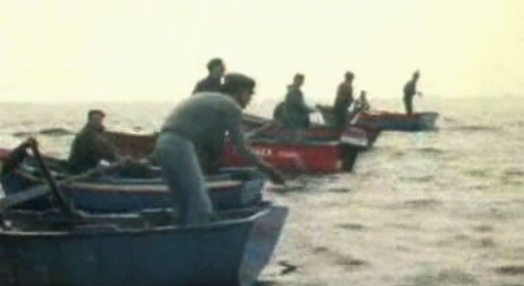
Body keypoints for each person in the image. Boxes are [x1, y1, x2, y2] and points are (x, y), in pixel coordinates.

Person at [154, 73, 285, 225]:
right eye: (249, 93)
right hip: (180, 145)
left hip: (163, 142)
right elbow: (241, 149)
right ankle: (199, 242)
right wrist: (268, 169)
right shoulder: (232, 107)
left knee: (182, 203)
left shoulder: (210, 99)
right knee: (200, 207)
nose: (250, 99)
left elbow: (213, 142)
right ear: (240, 91)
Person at [67, 110, 120, 174]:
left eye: (100, 120)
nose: (99, 123)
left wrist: (116, 159)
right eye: (96, 120)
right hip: (82, 168)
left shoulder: (95, 134)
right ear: (90, 121)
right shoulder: (87, 135)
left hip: (91, 164)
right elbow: (96, 158)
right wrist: (110, 164)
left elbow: (105, 152)